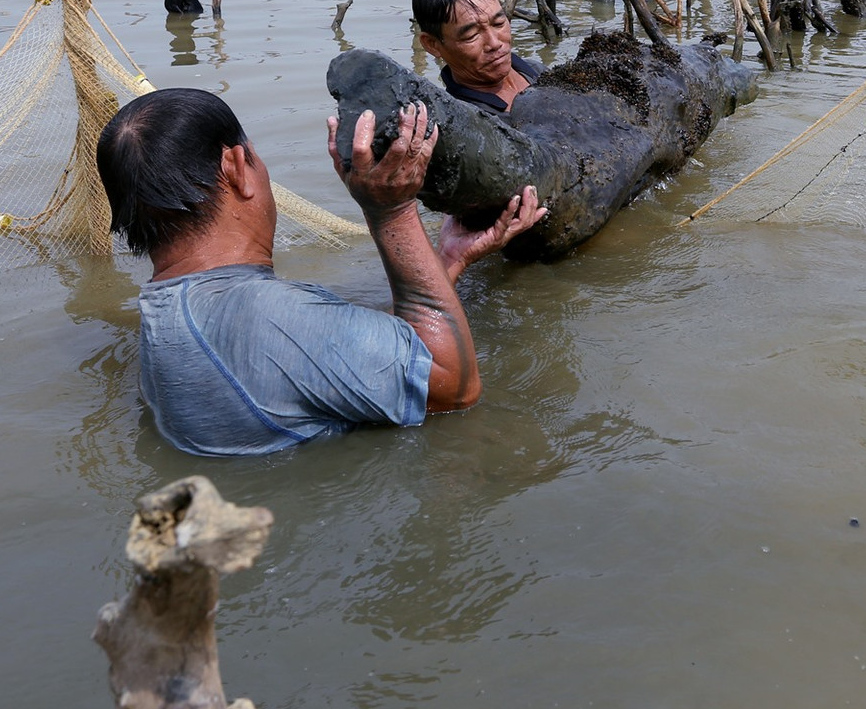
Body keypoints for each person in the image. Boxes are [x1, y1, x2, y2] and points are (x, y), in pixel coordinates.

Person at [95, 87, 545, 457]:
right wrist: (392, 212)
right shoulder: (263, 315)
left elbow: (335, 355)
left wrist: (448, 260)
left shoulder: (167, 313)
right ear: (235, 168)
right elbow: (455, 385)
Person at [412, 0, 540, 114]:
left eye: (498, 23)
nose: (494, 43)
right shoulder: (467, 119)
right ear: (432, 45)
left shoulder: (535, 71)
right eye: (471, 35)